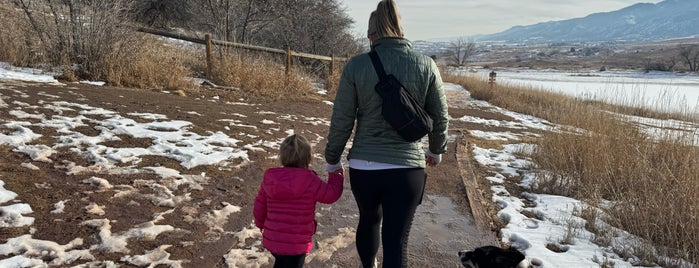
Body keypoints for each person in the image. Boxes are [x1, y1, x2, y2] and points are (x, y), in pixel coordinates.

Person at [324, 0, 449, 267]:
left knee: (369, 219)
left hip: (363, 167)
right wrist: (436, 150)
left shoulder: (356, 65)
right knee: (396, 241)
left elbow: (342, 118)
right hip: (407, 169)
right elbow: (440, 117)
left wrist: (332, 158)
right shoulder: (426, 65)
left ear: (372, 35)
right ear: (401, 31)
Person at [254, 134, 344, 268]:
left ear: (282, 156)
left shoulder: (271, 178)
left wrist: (261, 225)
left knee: (281, 262)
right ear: (308, 158)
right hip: (297, 243)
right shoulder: (309, 180)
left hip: (273, 239)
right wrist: (336, 174)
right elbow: (331, 194)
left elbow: (259, 207)